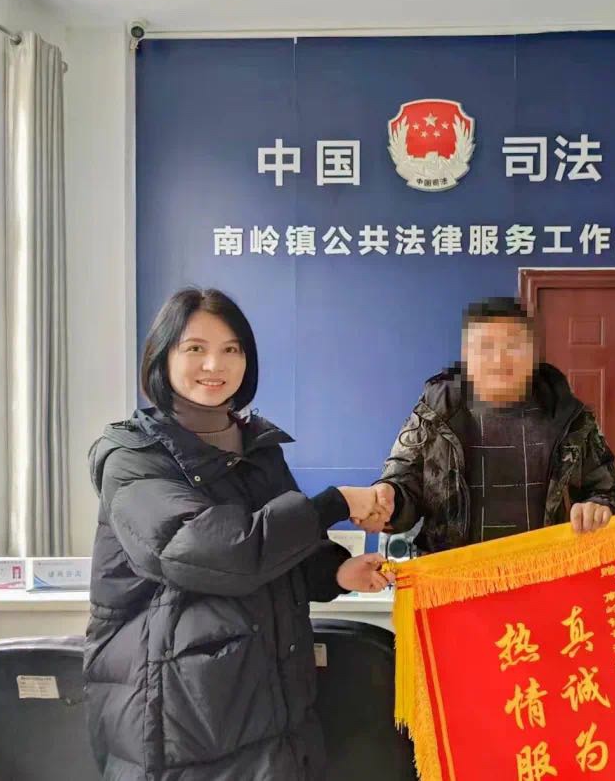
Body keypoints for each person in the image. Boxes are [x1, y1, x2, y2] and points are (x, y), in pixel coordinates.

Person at [84, 287, 392, 780]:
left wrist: (337, 571)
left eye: (231, 349)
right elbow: (214, 552)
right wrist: (335, 503)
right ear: (162, 356)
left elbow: (283, 550)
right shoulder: (134, 458)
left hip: (276, 709)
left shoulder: (258, 448)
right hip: (182, 720)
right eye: (195, 348)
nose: (215, 364)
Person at [370, 297, 615, 552]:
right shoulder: (434, 414)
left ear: (533, 353)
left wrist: (599, 507)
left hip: (546, 571)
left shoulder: (568, 417)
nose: (499, 359)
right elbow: (403, 484)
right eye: (486, 347)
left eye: (513, 346)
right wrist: (389, 500)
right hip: (453, 573)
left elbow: (611, 492)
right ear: (466, 355)